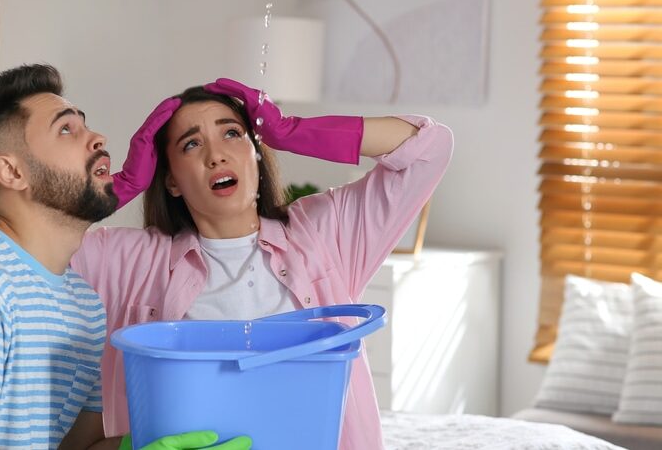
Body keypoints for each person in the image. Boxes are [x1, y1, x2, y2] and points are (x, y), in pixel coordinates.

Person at [0, 64, 249, 450]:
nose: (98, 138)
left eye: (84, 125)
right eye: (67, 129)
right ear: (12, 171)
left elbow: (71, 448)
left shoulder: (82, 303)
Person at [72, 78, 454, 450]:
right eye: (191, 144)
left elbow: (430, 146)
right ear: (171, 180)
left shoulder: (325, 232)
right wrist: (120, 186)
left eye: (232, 134)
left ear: (256, 152)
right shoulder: (125, 258)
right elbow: (24, 244)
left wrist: (291, 131)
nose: (215, 155)